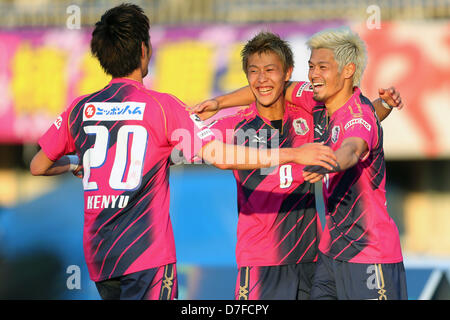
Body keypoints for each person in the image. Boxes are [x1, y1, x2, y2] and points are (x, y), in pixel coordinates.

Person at [29, 4, 336, 300]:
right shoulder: (162, 107)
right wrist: (293, 154)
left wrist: (75, 162)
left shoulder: (79, 108)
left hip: (100, 258)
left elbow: (38, 165)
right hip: (146, 258)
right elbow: (220, 155)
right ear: (144, 50)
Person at [191, 31, 403, 300]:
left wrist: (382, 105)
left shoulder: (310, 109)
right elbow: (214, 154)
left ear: (287, 73)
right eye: (253, 71)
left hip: (313, 260)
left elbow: (355, 123)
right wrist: (292, 154)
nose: (261, 78)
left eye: (270, 70)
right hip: (261, 265)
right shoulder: (234, 125)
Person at [302, 27, 407, 300]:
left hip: (370, 256)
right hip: (331, 254)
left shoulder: (359, 116)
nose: (313, 74)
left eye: (322, 67)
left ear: (347, 70)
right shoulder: (323, 107)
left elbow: (352, 148)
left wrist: (327, 162)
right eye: (311, 66)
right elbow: (281, 89)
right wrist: (220, 102)